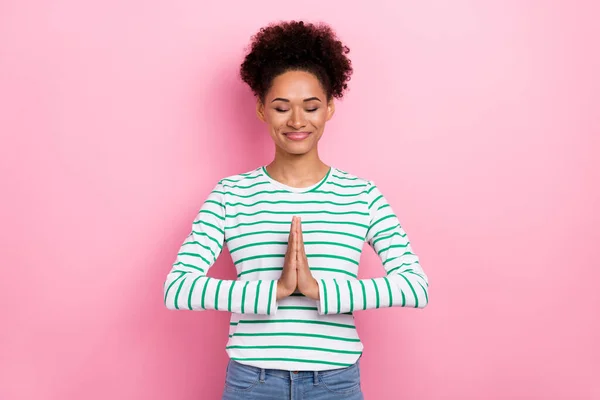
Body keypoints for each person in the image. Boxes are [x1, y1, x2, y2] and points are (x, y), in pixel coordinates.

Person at [163, 20, 429, 400]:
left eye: (311, 106)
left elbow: (414, 285)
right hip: (252, 382)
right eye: (282, 107)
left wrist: (321, 292)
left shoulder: (362, 195)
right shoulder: (231, 195)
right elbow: (178, 287)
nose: (297, 121)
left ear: (330, 108)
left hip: (334, 383)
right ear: (261, 110)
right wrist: (275, 291)